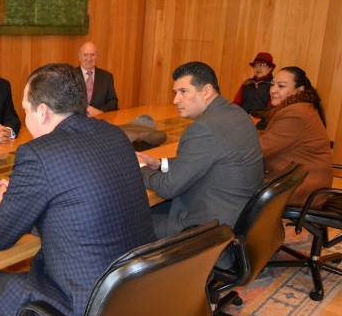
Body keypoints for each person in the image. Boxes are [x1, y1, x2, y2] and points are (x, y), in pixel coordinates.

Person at [0, 63, 155, 316]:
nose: (25, 118)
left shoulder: (37, 154)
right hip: (138, 295)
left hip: (85, 315)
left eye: (26, 110)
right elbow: (74, 192)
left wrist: (9, 203)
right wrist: (24, 193)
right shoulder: (114, 135)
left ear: (43, 111)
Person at [137, 61, 263, 240]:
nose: (175, 100)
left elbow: (167, 188)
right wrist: (159, 164)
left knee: (128, 219)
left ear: (206, 91)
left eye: (183, 91)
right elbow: (201, 161)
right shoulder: (237, 113)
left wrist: (140, 167)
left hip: (209, 227)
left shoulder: (204, 129)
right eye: (175, 92)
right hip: (236, 215)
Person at [259, 66, 332, 207]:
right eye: (272, 84)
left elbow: (261, 148)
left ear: (299, 90)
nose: (273, 90)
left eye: (281, 86)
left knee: (233, 185)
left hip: (303, 188)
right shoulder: (301, 108)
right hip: (303, 182)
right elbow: (271, 138)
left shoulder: (296, 113)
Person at [77, 41, 119, 116]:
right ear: (79, 57)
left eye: (92, 55)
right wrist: (85, 109)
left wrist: (100, 112)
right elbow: (65, 101)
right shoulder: (70, 75)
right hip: (76, 120)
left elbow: (113, 101)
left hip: (100, 120)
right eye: (85, 55)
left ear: (97, 57)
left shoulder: (107, 77)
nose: (89, 59)